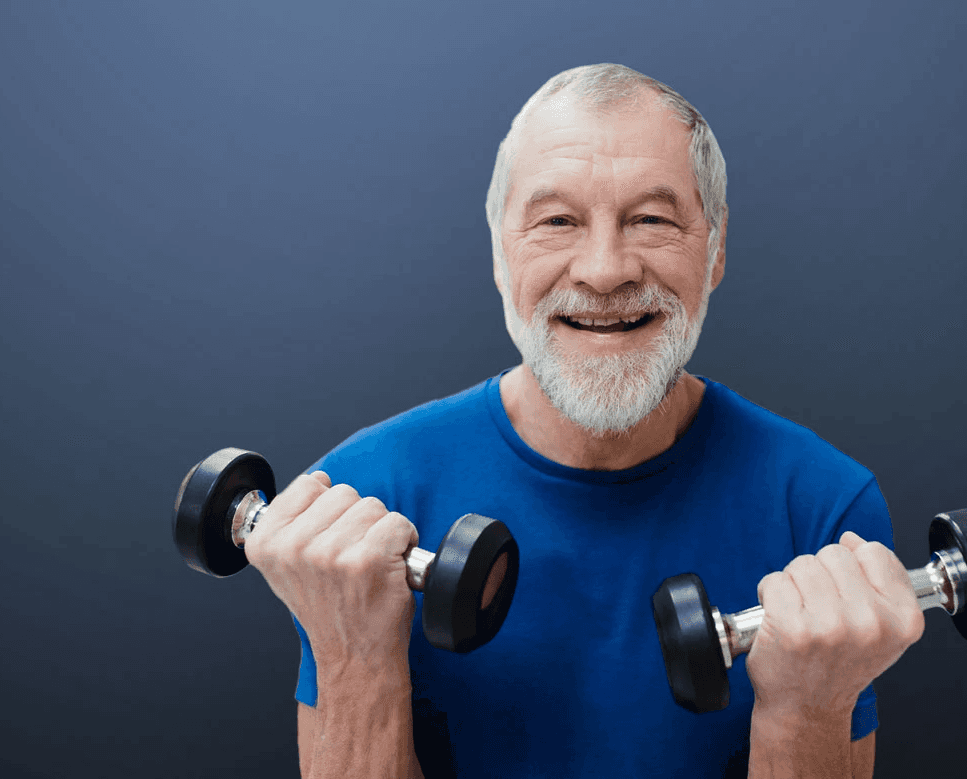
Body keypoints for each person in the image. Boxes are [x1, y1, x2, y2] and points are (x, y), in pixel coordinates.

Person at [244, 63, 925, 779]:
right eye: (557, 221)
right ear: (502, 257)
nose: (604, 270)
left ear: (716, 249)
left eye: (652, 219)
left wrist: (807, 707)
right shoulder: (356, 503)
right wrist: (353, 656)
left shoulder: (822, 507)